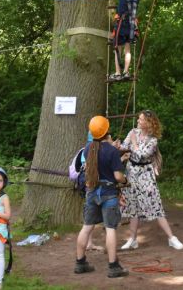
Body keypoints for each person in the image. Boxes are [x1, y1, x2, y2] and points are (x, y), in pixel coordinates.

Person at [119, 110, 183, 251]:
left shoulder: (153, 140)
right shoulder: (133, 132)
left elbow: (142, 156)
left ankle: (172, 238)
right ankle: (132, 239)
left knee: (156, 206)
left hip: (145, 176)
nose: (138, 121)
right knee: (133, 207)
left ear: (148, 123)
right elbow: (124, 147)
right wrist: (119, 148)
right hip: (131, 174)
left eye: (140, 119)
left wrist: (134, 144)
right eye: (138, 119)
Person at [74, 115, 129, 278]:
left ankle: (80, 263)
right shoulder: (112, 151)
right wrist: (125, 180)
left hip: (92, 192)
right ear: (106, 131)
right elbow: (118, 176)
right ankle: (113, 266)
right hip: (109, 193)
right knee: (110, 228)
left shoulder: (88, 148)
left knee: (87, 226)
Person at [109, 0, 140, 82]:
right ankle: (126, 71)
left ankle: (118, 73)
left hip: (121, 26)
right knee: (128, 50)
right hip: (132, 26)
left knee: (118, 49)